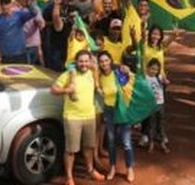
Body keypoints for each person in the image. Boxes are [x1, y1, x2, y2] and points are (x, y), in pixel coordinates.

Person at [50, 50, 104, 184]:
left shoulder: (92, 73)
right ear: (76, 62)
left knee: (88, 147)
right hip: (72, 117)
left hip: (90, 116)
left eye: (86, 61)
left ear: (90, 62)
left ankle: (90, 170)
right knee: (71, 150)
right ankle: (69, 177)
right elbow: (53, 89)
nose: (84, 64)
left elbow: (103, 69)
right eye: (81, 61)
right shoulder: (68, 74)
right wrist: (66, 90)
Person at [96, 51, 136, 182]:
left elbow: (132, 80)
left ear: (111, 60)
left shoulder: (118, 73)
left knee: (126, 142)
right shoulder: (100, 77)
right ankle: (112, 167)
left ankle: (129, 168)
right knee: (111, 142)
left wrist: (128, 71)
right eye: (101, 61)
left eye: (106, 60)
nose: (104, 63)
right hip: (109, 111)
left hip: (122, 110)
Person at [145, 59, 169, 153]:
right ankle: (151, 143)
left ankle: (162, 142)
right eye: (152, 69)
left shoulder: (159, 77)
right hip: (151, 105)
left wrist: (166, 82)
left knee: (161, 124)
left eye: (156, 70)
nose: (154, 71)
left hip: (160, 104)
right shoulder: (145, 78)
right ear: (148, 68)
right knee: (151, 124)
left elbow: (165, 86)